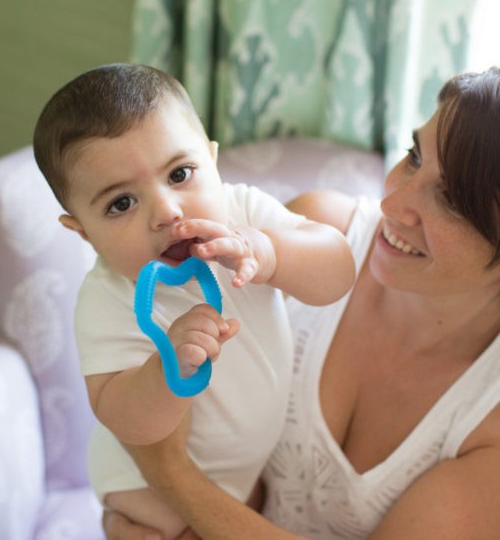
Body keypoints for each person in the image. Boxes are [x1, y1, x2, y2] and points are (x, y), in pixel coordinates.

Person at [103, 67, 500, 540]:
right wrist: (136, 510)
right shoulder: (313, 237)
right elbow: (149, 351)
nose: (392, 204)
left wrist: (169, 477)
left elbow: (165, 458)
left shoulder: (488, 423)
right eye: (415, 157)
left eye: (451, 199)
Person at [33, 63, 356, 539]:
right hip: (146, 492)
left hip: (244, 472)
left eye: (180, 174)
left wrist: (267, 251)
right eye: (121, 204)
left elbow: (338, 271)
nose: (166, 212)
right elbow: (122, 417)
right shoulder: (108, 298)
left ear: (212, 158)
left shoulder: (245, 210)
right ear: (82, 231)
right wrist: (164, 373)